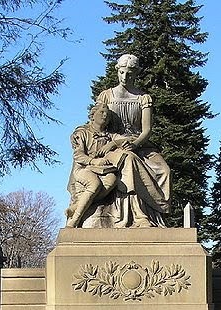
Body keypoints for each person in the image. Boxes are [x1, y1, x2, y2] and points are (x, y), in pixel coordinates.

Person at [96, 53, 171, 227]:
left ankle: (157, 214)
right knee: (129, 161)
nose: (125, 77)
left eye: (129, 73)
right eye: (122, 72)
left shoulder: (143, 98)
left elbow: (147, 130)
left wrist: (135, 143)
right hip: (112, 145)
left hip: (140, 144)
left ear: (136, 74)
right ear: (117, 71)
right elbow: (98, 124)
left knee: (165, 171)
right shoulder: (106, 96)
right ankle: (138, 215)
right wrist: (114, 143)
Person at [65, 103, 120, 228]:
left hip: (103, 170)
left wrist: (114, 143)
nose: (105, 115)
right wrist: (93, 161)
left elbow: (125, 139)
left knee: (112, 179)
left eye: (107, 114)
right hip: (83, 168)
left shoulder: (110, 136)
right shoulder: (82, 133)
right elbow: (78, 155)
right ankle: (75, 219)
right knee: (94, 184)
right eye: (101, 112)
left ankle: (76, 206)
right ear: (92, 115)